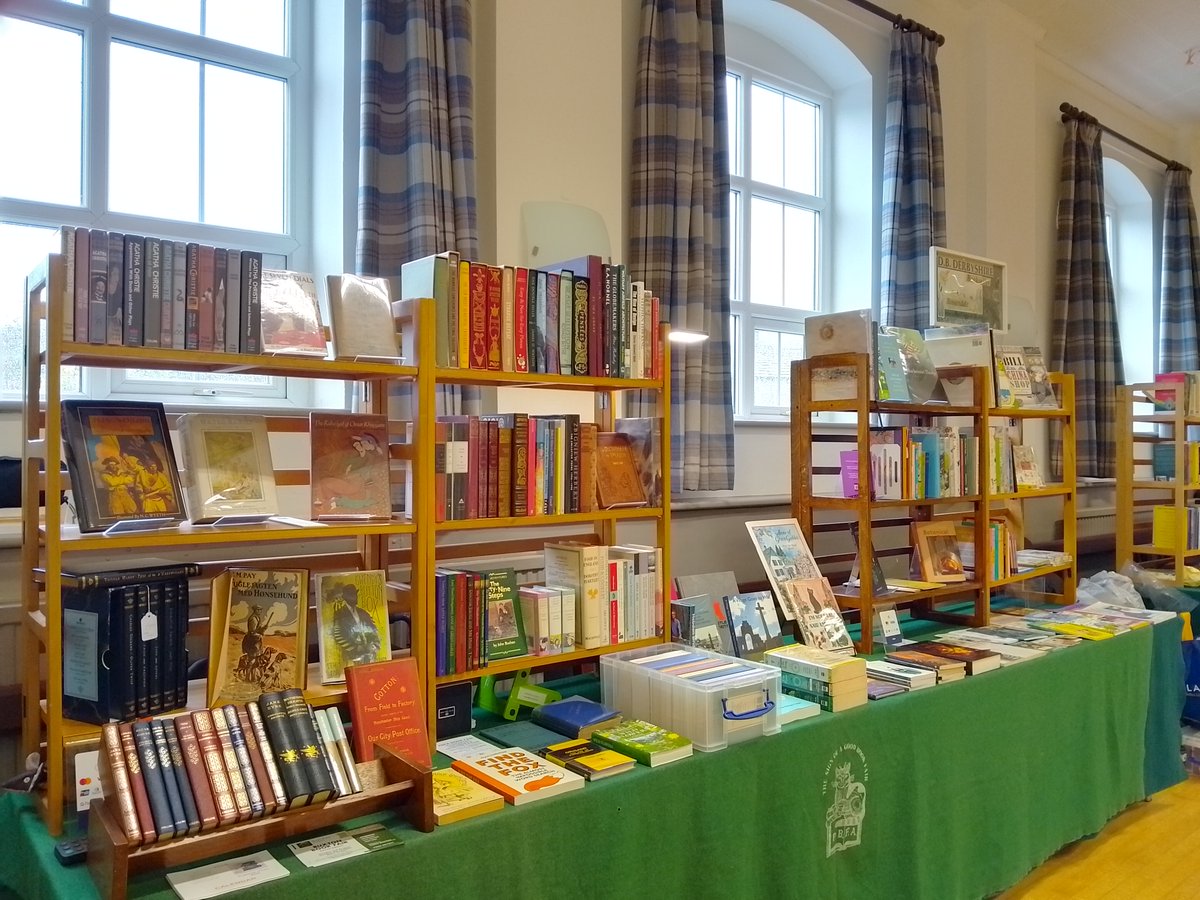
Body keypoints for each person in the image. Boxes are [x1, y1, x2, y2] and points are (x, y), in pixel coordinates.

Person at [331, 583, 382, 666]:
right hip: (350, 659)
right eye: (351, 595)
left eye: (355, 594)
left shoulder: (363, 612)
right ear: (345, 598)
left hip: (369, 657)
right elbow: (337, 635)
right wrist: (355, 648)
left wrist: (375, 645)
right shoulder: (339, 614)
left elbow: (374, 630)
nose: (355, 597)